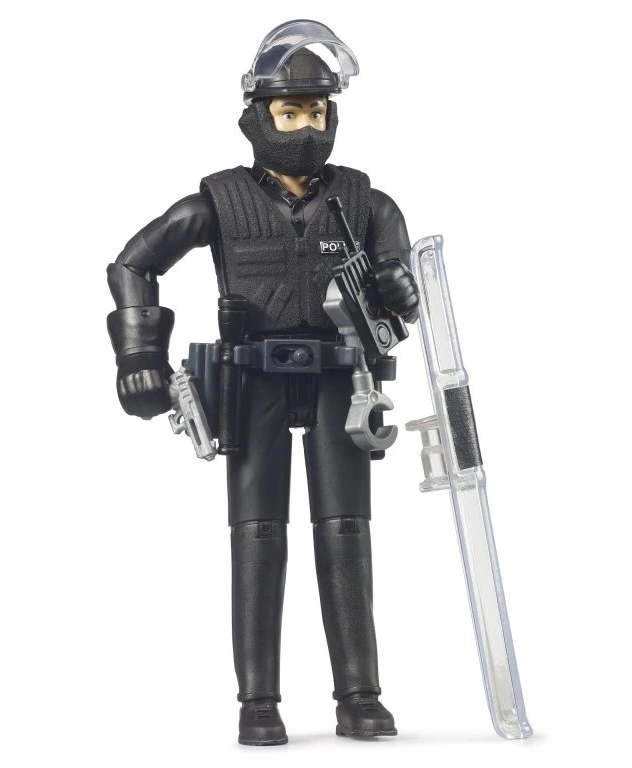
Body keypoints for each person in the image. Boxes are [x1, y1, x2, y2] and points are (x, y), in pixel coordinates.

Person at [105, 21, 418, 746]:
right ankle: (259, 702)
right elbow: (133, 263)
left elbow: (404, 281)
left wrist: (399, 288)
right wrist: (138, 354)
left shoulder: (365, 201)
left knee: (346, 532)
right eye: (290, 111)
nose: (305, 125)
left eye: (317, 110)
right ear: (258, 116)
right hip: (253, 381)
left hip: (345, 379)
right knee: (257, 535)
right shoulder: (219, 201)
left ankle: (360, 695)